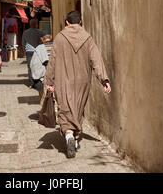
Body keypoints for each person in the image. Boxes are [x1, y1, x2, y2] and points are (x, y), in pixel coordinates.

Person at [44, 10, 111, 159]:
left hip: (63, 80)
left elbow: (52, 61)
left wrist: (49, 81)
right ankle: (73, 136)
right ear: (80, 22)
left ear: (67, 22)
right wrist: (104, 80)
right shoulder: (88, 39)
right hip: (82, 81)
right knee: (78, 108)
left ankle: (68, 134)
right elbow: (96, 60)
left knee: (65, 108)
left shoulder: (60, 38)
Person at [22, 19, 47, 88]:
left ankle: (31, 83)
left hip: (29, 52)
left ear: (30, 24)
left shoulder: (25, 32)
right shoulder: (40, 32)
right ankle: (38, 81)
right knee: (39, 66)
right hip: (38, 52)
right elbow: (46, 38)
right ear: (36, 24)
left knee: (30, 67)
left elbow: (23, 43)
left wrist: (25, 51)